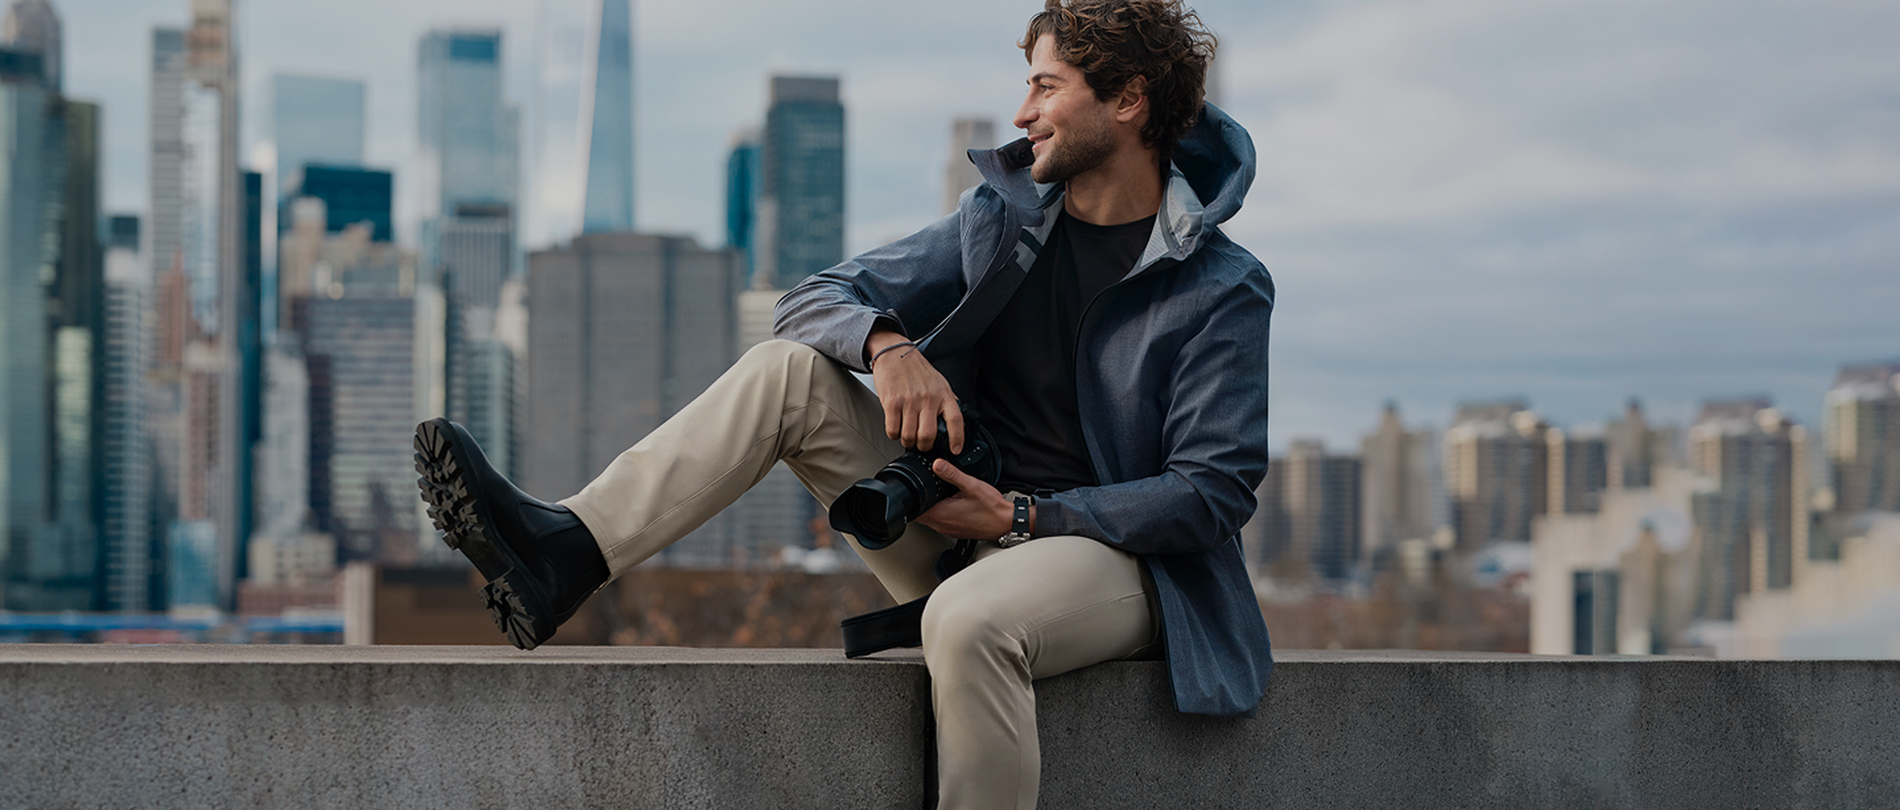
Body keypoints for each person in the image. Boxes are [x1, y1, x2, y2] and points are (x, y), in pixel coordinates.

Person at [412, 0, 1273, 806]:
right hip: (954, 525)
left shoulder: (1221, 288)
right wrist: (887, 347)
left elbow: (1212, 491)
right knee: (786, 370)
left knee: (967, 622)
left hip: (1111, 562)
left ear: (1129, 100)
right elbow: (813, 296)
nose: (1022, 113)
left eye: (1046, 88)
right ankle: (568, 551)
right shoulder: (1002, 219)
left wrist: (1020, 517)